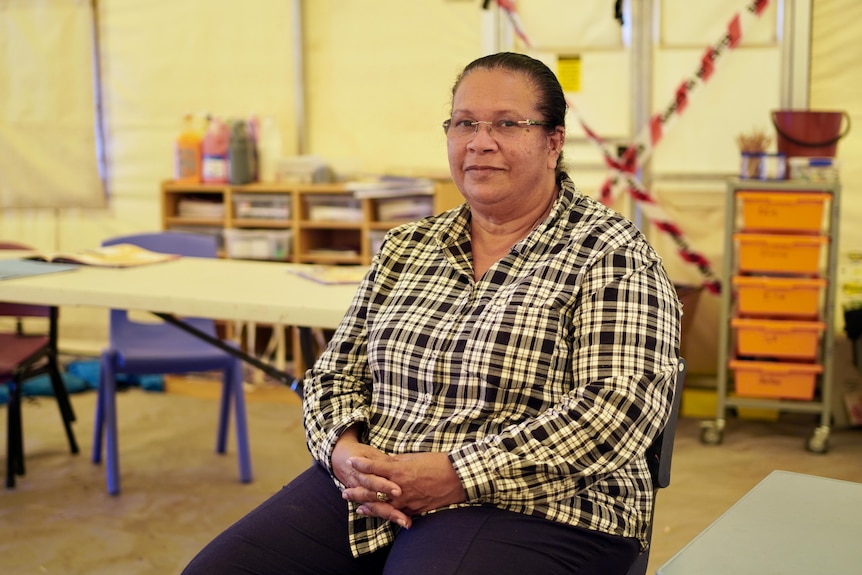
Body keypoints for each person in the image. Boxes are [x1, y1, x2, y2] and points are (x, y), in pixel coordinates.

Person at [182, 51, 681, 575]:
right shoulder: (407, 245)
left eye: (507, 124)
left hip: (544, 503)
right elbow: (334, 371)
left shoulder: (610, 253)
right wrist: (342, 450)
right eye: (465, 123)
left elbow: (617, 410)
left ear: (553, 142)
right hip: (373, 484)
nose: (479, 142)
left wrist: (456, 474)